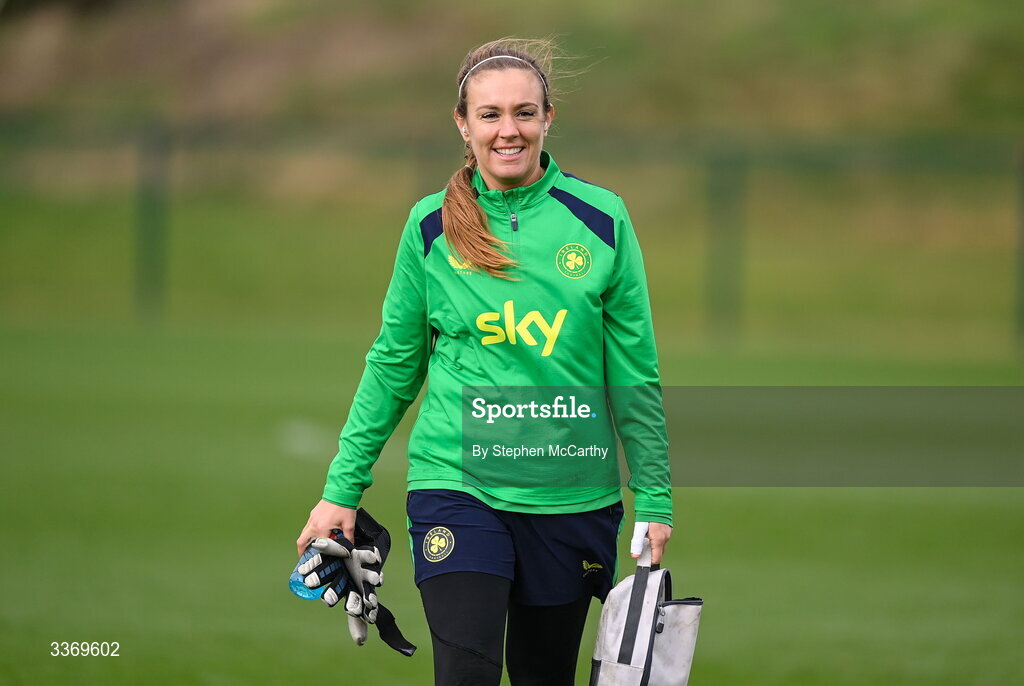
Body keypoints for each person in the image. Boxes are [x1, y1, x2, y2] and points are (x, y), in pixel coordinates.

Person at [296, 38, 673, 686]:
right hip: (458, 484)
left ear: (549, 118)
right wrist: (341, 490)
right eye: (491, 114)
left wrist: (655, 497)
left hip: (569, 492)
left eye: (524, 113)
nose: (509, 130)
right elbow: (394, 363)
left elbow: (633, 373)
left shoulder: (602, 222)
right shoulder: (430, 228)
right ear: (462, 124)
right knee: (466, 674)